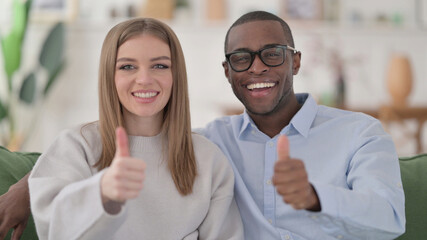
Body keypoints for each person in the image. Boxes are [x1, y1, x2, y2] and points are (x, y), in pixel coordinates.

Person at [0, 11, 405, 240]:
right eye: (243, 58)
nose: (258, 67)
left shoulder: (360, 134)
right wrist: (29, 185)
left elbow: (389, 218)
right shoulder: (214, 142)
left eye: (273, 54)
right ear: (228, 73)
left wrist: (316, 197)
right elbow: (107, 155)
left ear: (296, 61)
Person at [26, 17, 242, 239]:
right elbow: (52, 228)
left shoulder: (209, 159)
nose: (144, 79)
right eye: (127, 67)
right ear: (110, 76)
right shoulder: (77, 146)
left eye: (160, 66)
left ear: (175, 75)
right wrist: (101, 192)